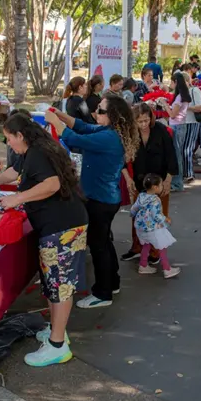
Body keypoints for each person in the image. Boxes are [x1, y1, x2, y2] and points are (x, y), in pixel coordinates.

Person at [0, 115, 88, 366]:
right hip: (61, 225)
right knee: (53, 283)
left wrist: (18, 198)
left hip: (62, 227)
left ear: (20, 136)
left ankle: (58, 346)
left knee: (60, 285)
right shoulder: (35, 151)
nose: (8, 142)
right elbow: (15, 172)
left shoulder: (37, 153)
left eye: (9, 137)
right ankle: (57, 332)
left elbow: (52, 184)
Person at [46, 95, 139, 308]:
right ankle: (111, 282)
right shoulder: (107, 131)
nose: (96, 112)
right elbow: (81, 127)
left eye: (101, 110)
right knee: (103, 242)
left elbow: (74, 138)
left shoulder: (109, 138)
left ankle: (102, 293)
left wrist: (53, 122)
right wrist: (59, 114)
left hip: (100, 200)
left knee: (99, 247)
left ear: (113, 116)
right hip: (103, 198)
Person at [121, 103, 178, 263]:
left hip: (159, 182)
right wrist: (127, 178)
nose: (144, 125)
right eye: (140, 122)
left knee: (158, 217)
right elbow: (122, 159)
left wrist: (168, 179)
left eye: (146, 121)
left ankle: (155, 251)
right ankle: (137, 247)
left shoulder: (160, 130)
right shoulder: (130, 134)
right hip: (139, 182)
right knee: (137, 216)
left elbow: (171, 156)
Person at [130, 173, 181, 278]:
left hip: (141, 228)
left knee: (146, 245)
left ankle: (143, 265)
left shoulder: (141, 196)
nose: (162, 187)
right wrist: (165, 219)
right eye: (161, 185)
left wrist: (132, 215)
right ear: (155, 187)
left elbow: (133, 209)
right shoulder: (155, 200)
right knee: (162, 246)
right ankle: (167, 269)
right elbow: (156, 214)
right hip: (152, 227)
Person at [160, 72, 201, 187]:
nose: (170, 84)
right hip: (180, 125)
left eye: (172, 82)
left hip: (177, 126)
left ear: (176, 83)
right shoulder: (183, 96)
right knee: (177, 154)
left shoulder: (179, 98)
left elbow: (172, 115)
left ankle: (177, 183)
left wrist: (164, 104)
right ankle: (178, 181)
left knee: (177, 155)